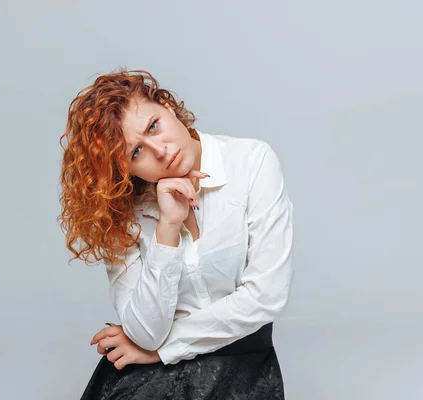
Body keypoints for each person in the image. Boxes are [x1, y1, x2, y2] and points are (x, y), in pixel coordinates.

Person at [58, 68, 294, 399]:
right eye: (136, 152)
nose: (160, 150)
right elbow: (145, 334)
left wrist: (163, 350)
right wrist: (168, 228)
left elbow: (266, 296)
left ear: (167, 106)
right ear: (125, 170)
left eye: (153, 126)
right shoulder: (124, 210)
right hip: (149, 374)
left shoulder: (251, 163)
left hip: (238, 361)